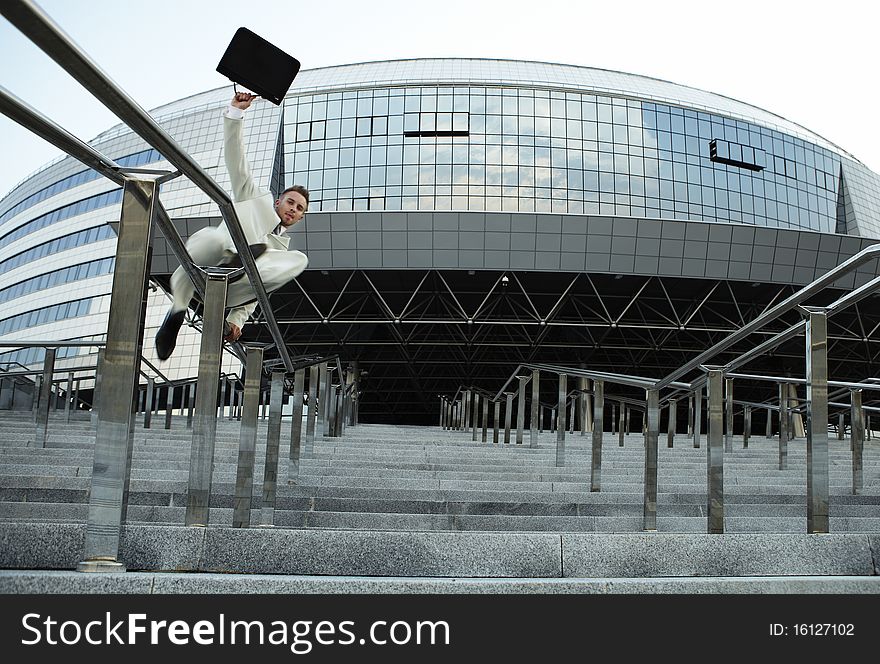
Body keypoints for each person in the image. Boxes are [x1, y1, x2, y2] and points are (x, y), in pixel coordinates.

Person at [155, 92, 309, 360]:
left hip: (234, 288)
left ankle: (241, 265)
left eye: (299, 209)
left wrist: (237, 320)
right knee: (210, 239)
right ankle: (176, 313)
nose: (293, 209)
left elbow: (258, 293)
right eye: (290, 202)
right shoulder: (254, 199)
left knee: (298, 259)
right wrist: (236, 114)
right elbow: (236, 160)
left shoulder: (281, 250)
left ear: (299, 218)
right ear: (277, 202)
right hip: (206, 267)